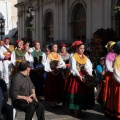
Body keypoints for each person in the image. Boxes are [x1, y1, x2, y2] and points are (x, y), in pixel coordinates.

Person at [62, 40, 95, 118]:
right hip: (75, 78)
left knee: (83, 95)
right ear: (76, 49)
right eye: (81, 48)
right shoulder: (73, 56)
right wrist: (79, 75)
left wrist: (89, 75)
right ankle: (75, 113)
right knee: (76, 95)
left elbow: (89, 66)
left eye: (83, 48)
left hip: (84, 77)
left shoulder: (85, 57)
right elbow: (73, 68)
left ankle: (80, 111)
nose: (82, 50)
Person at [44, 43, 66, 107]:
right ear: (51, 48)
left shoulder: (58, 56)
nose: (56, 48)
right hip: (51, 73)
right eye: (54, 47)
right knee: (52, 87)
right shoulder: (49, 56)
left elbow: (63, 64)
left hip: (57, 73)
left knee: (57, 87)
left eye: (56, 47)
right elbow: (46, 65)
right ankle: (52, 101)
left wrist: (59, 66)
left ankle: (56, 100)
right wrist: (51, 71)